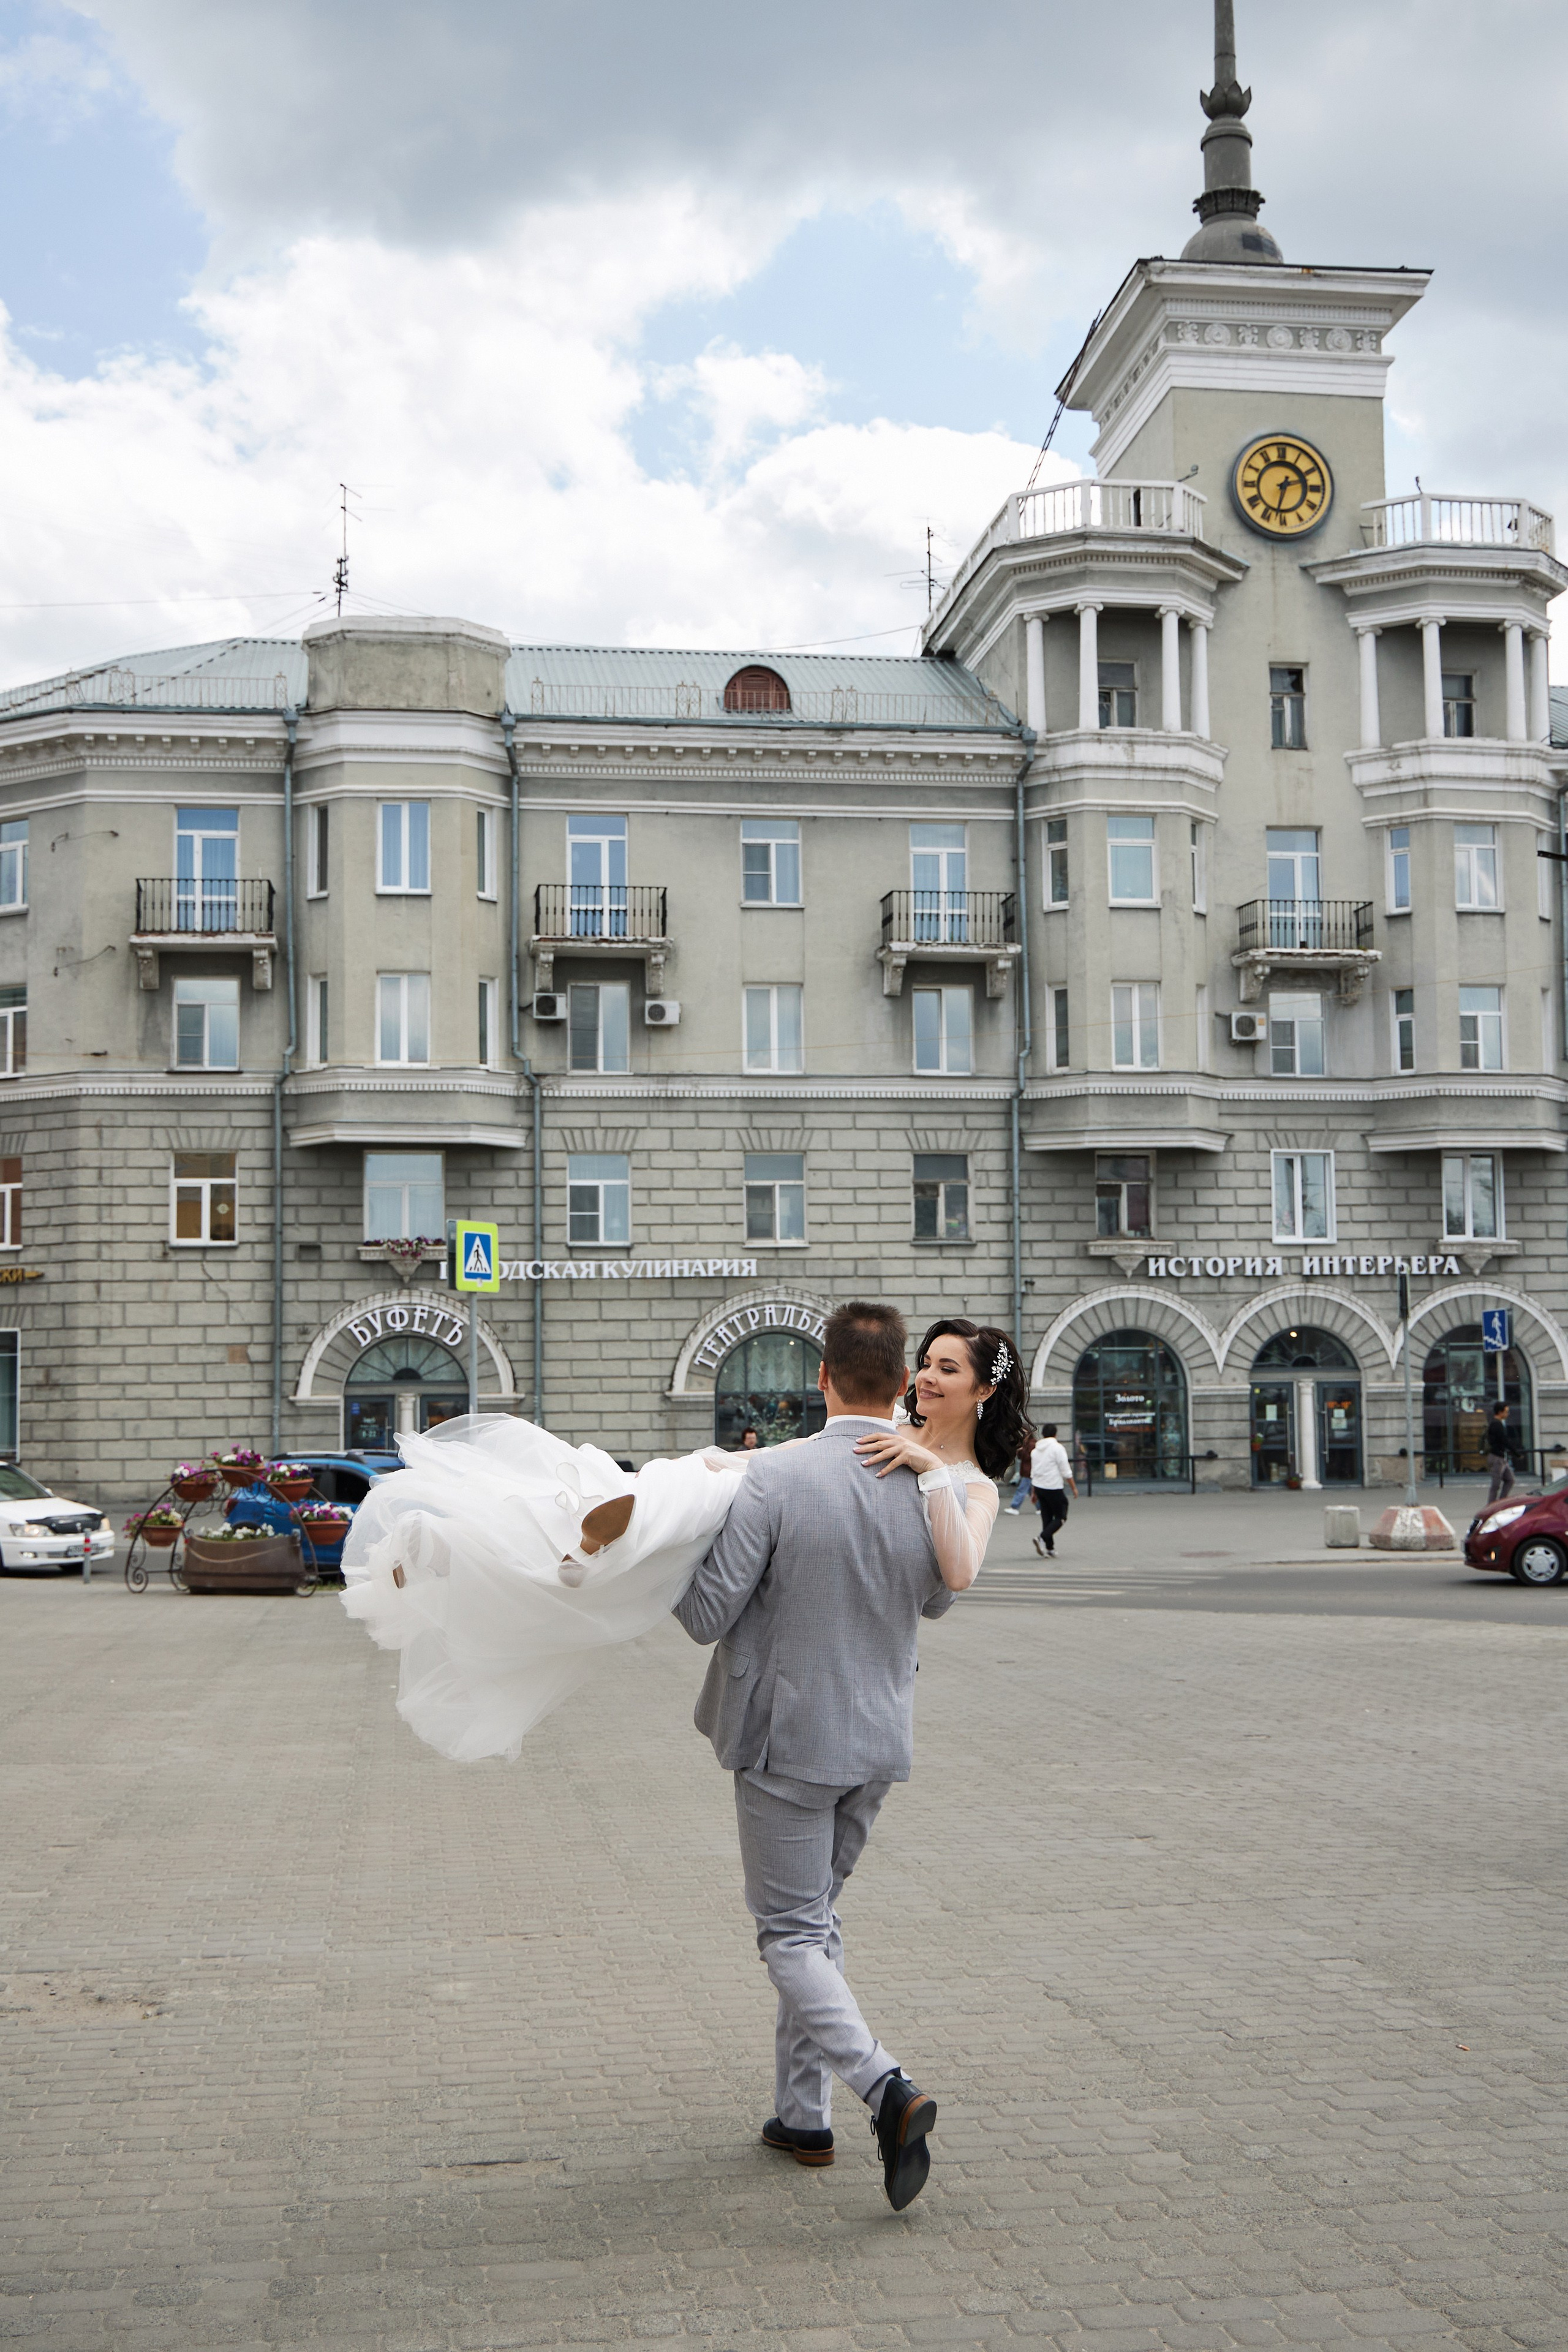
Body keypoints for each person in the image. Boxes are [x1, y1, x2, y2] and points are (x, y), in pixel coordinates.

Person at [674, 1303, 1028, 2211]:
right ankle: (802, 2115)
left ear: (822, 1379)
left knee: (788, 1934)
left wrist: (676, 1553)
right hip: (874, 1739)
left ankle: (885, 2091)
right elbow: (940, 1602)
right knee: (817, 1925)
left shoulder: (778, 1477)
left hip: (784, 1741)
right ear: (897, 1378)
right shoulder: (932, 1482)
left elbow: (706, 1615)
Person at [1031, 1421, 1077, 1557]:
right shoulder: (1057, 1448)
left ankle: (1050, 1549)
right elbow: (1066, 1470)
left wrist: (1034, 1493)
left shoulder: (1035, 1451)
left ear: (1044, 1434)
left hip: (1039, 1487)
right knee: (1061, 1516)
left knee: (1047, 1518)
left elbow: (1034, 1472)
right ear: (1055, 1434)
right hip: (1053, 1488)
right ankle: (1041, 1537)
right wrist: (1074, 1488)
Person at [1487, 1401, 1515, 1505]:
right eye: (1506, 1412)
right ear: (1500, 1412)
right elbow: (1503, 1440)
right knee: (1496, 1485)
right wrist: (1515, 1452)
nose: (1508, 1414)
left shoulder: (1497, 1424)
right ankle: (1491, 1506)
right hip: (1497, 1457)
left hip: (1501, 1457)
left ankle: (1501, 1502)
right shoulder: (1496, 1424)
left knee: (1510, 1479)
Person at [1005, 1430, 1035, 1512]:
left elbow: (1029, 1457)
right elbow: (1021, 1458)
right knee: (1032, 1491)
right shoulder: (1027, 1444)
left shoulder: (1031, 1444)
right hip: (1027, 1470)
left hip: (1029, 1471)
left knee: (1022, 1489)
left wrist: (1022, 1451)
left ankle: (1015, 1507)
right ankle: (1041, 1508)